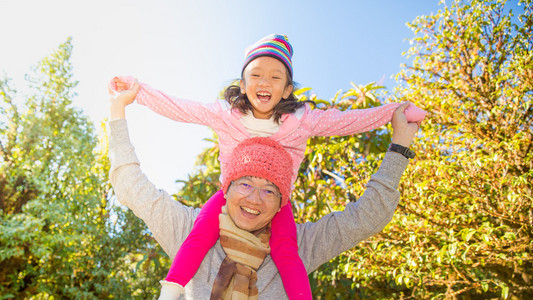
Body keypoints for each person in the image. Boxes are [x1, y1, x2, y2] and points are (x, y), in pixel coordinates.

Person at [108, 34, 426, 299]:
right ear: (243, 84)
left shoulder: (302, 124)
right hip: (216, 208)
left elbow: (345, 126)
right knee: (200, 234)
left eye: (268, 189)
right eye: (246, 183)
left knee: (287, 253)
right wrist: (130, 99)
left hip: (282, 218)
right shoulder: (186, 224)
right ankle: (172, 287)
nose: (255, 197)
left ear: (287, 89)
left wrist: (395, 122)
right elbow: (173, 119)